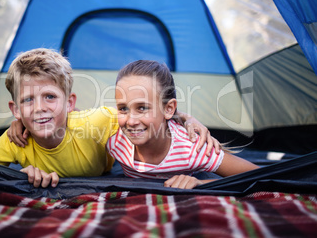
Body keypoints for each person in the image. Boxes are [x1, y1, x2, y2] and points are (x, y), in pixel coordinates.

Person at [0, 48, 219, 188]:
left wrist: (186, 118)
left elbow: (143, 115)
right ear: (15, 109)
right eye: (27, 101)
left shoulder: (96, 123)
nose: (39, 108)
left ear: (70, 104)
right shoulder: (14, 140)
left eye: (49, 97)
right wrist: (17, 176)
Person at [106, 60, 259, 189]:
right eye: (123, 108)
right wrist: (186, 117)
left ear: (169, 109)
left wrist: (201, 183)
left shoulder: (192, 148)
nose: (131, 121)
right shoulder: (111, 132)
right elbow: (81, 118)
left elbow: (259, 176)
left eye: (142, 108)